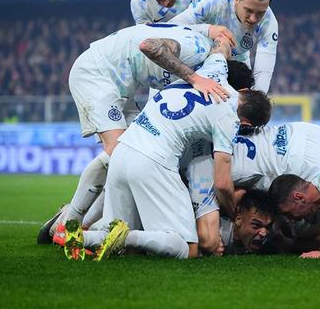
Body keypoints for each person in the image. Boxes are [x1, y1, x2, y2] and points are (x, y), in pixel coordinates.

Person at [64, 39, 272, 261]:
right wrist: (233, 214)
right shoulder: (229, 120)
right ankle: (127, 237)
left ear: (244, 92)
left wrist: (222, 39)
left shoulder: (214, 71)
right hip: (153, 160)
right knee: (188, 248)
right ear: (247, 123)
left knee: (117, 236)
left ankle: (79, 237)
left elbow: (220, 47)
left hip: (123, 149)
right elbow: (221, 182)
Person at [60, 24, 230, 228]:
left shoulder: (202, 50)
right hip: (97, 74)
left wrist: (208, 29)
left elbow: (176, 26)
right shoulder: (195, 51)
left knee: (133, 153)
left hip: (124, 86)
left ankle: (77, 222)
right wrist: (194, 79)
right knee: (117, 152)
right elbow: (148, 45)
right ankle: (70, 222)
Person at [187, 121, 320, 255]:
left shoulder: (204, 169)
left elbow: (224, 187)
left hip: (297, 163)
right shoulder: (220, 138)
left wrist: (235, 218)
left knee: (315, 226)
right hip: (303, 132)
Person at [171, 0, 278, 93]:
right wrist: (208, 29)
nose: (253, 19)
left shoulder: (268, 23)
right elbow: (171, 27)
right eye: (249, 10)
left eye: (260, 13)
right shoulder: (215, 0)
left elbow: (263, 71)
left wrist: (258, 98)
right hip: (196, 55)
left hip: (236, 63)